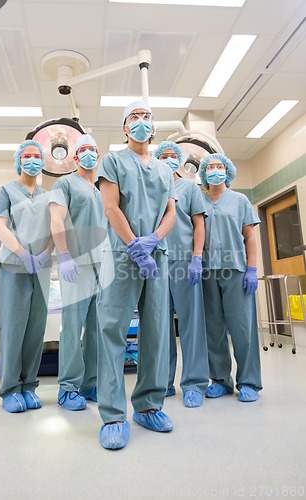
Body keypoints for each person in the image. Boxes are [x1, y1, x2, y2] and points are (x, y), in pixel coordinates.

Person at [96, 100, 176, 450]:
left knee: (156, 332)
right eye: (134, 117)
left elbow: (171, 213)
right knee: (112, 332)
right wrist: (134, 246)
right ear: (125, 128)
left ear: (153, 128)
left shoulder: (163, 170)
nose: (142, 122)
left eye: (147, 117)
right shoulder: (112, 162)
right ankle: (114, 415)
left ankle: (147, 405)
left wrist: (154, 240)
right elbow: (111, 206)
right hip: (122, 256)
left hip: (156, 257)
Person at [0, 139, 53, 413]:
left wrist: (45, 254)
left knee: (36, 329)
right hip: (14, 266)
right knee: (14, 328)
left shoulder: (48, 195)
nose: (32, 159)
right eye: (26, 155)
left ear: (43, 161)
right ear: (18, 160)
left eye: (37, 155)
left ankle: (29, 385)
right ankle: (9, 390)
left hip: (41, 268)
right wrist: (21, 253)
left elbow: (55, 229)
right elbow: (0, 226)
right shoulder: (5, 190)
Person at [198, 153, 262, 403]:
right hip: (207, 271)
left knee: (242, 328)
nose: (214, 170)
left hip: (236, 270)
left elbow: (250, 237)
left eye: (219, 166)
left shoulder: (240, 200)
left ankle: (249, 382)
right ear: (203, 173)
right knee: (213, 330)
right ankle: (221, 380)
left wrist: (252, 269)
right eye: (210, 167)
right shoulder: (199, 200)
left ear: (227, 171)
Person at [49, 134, 105, 411]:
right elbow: (56, 219)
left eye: (92, 150)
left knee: (97, 328)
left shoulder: (104, 187)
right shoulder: (65, 183)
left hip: (104, 266)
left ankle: (91, 383)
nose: (88, 154)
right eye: (82, 150)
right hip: (77, 265)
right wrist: (64, 255)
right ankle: (68, 387)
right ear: (74, 157)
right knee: (73, 327)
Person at [153, 141, 209, 408]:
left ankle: (195, 383)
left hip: (185, 262)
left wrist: (197, 257)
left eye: (171, 156)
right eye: (161, 156)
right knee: (159, 325)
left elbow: (199, 224)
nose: (167, 160)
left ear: (179, 159)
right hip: (157, 263)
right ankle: (163, 381)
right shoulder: (152, 188)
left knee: (191, 324)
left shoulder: (189, 188)